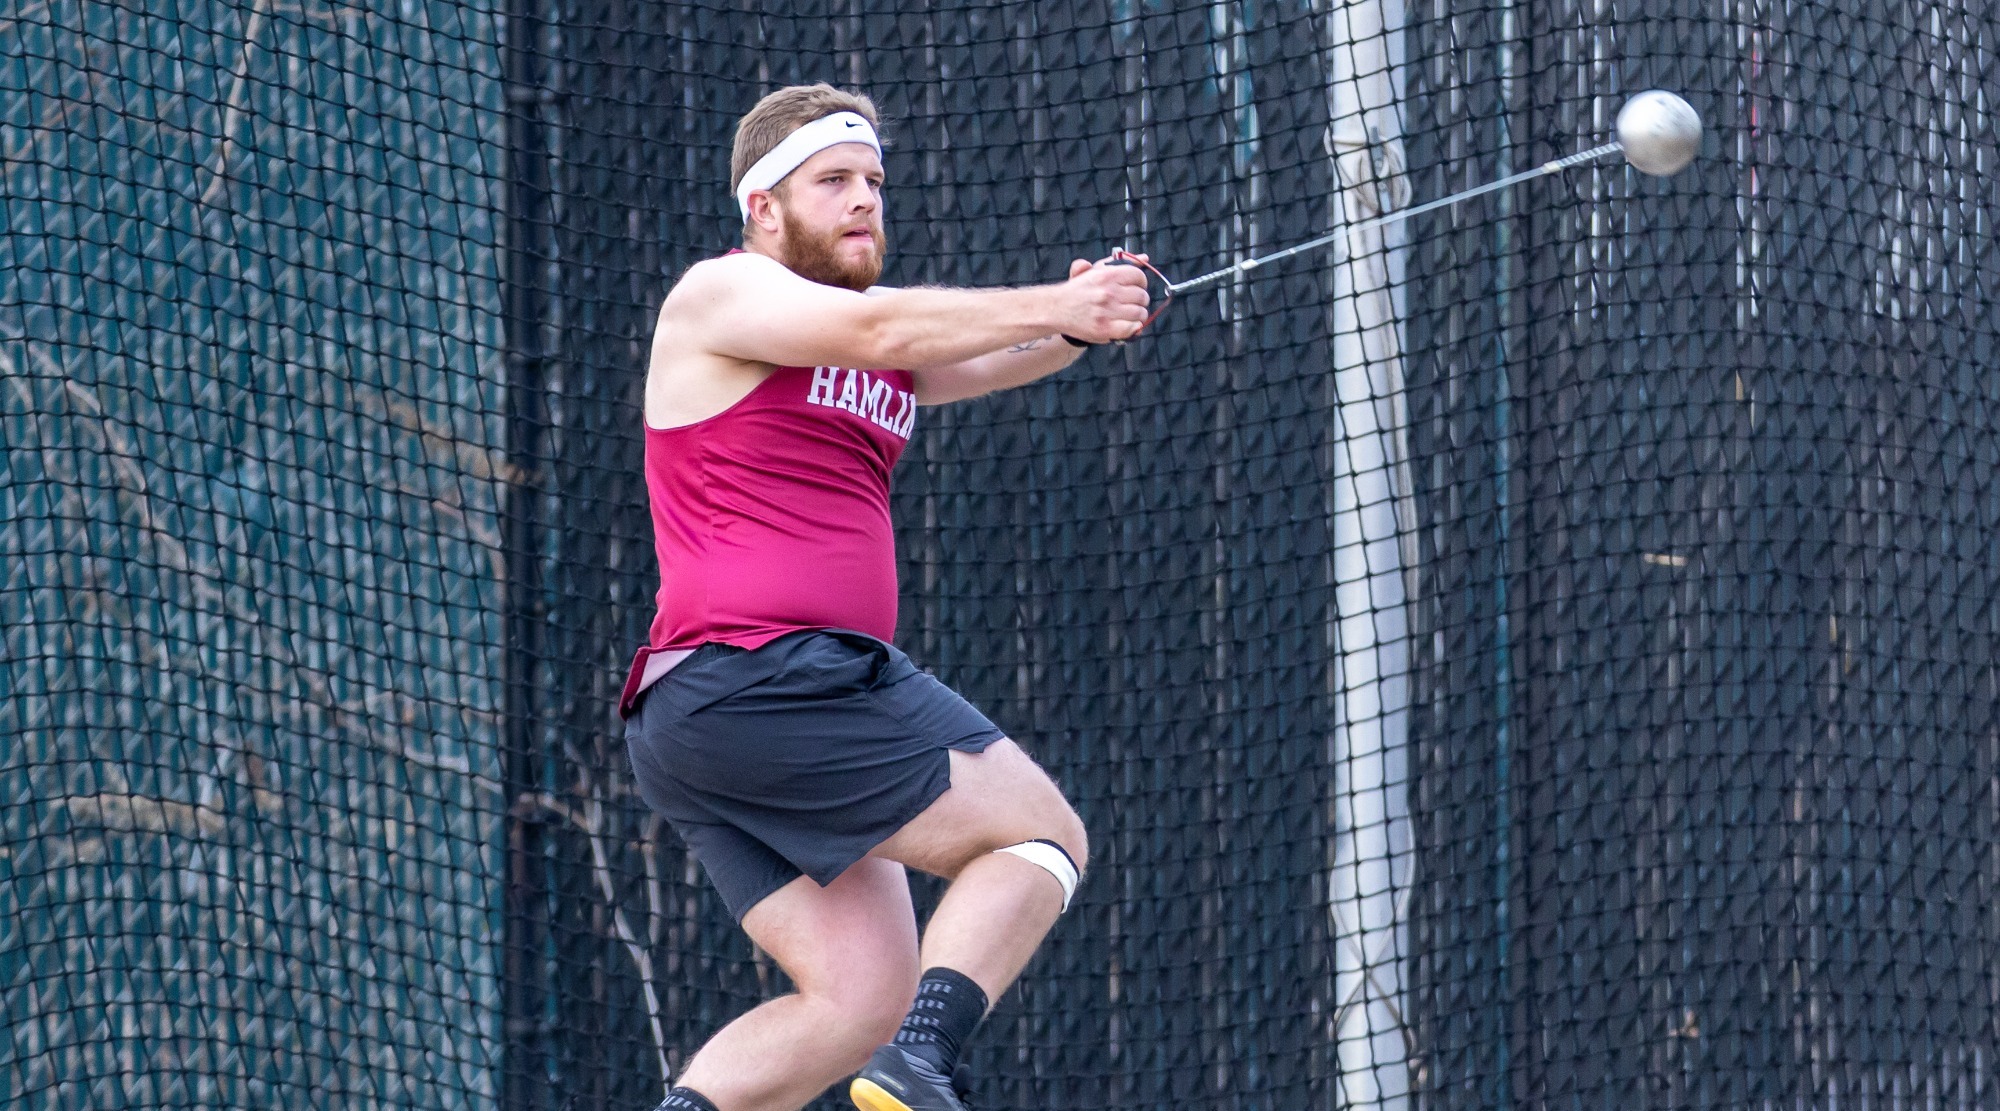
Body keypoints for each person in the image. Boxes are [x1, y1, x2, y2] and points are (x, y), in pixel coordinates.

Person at [620, 82, 1151, 1111]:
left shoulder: (864, 341)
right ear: (762, 208)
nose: (865, 199)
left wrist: (1082, 324)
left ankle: (872, 1053)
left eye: (873, 180)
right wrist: (1055, 300)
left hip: (711, 713)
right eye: (833, 181)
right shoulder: (719, 296)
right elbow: (884, 333)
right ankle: (918, 1070)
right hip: (767, 676)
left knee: (858, 995)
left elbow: (973, 357)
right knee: (1038, 838)